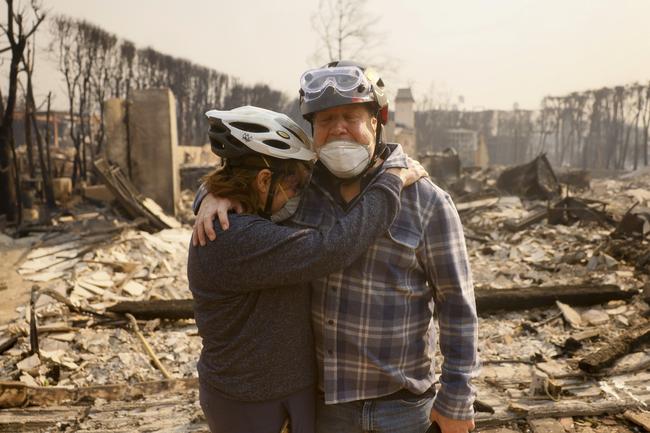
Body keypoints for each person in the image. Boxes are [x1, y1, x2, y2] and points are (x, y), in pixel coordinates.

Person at [194, 61, 479, 433]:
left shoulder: (426, 201)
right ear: (312, 130)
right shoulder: (298, 193)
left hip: (402, 408)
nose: (338, 129)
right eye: (325, 120)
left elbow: (457, 307)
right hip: (323, 409)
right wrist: (211, 194)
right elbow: (249, 183)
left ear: (377, 121)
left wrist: (457, 397)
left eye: (350, 116)